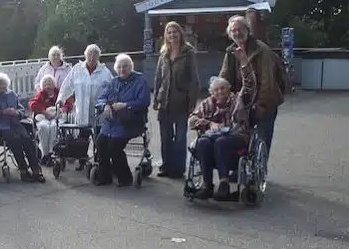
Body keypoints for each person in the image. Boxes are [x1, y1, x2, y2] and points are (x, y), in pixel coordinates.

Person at [189, 62, 257, 200]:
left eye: (222, 89)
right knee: (202, 142)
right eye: (216, 90)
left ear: (229, 89)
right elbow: (192, 120)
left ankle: (224, 184)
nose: (219, 92)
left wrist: (244, 63)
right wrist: (209, 123)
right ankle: (207, 185)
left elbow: (250, 86)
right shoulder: (207, 103)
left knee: (221, 142)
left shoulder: (238, 100)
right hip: (213, 138)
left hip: (236, 136)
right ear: (211, 92)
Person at [220, 15, 283, 158]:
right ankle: (238, 168)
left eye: (240, 29)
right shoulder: (231, 52)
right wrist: (220, 95)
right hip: (242, 100)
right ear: (230, 34)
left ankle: (260, 171)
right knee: (238, 136)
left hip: (265, 100)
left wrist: (261, 104)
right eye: (234, 30)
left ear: (247, 30)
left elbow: (268, 81)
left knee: (262, 138)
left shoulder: (261, 50)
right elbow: (224, 77)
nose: (237, 33)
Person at [152, 21, 200, 179]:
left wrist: (192, 102)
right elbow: (158, 76)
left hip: (181, 101)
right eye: (169, 32)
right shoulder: (163, 53)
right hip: (164, 101)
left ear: (180, 34)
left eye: (175, 32)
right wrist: (155, 99)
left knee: (180, 138)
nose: (172, 35)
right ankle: (166, 166)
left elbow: (194, 79)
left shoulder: (189, 52)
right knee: (166, 137)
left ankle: (178, 169)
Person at [95, 54, 150, 187]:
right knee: (101, 142)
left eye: (125, 66)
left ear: (131, 67)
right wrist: (106, 105)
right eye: (119, 67)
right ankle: (105, 176)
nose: (122, 69)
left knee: (114, 145)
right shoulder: (113, 82)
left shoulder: (140, 81)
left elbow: (144, 101)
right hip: (112, 121)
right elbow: (101, 98)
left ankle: (125, 178)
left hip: (130, 121)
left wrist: (126, 105)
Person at [56, 44, 113, 170]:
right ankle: (82, 160)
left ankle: (100, 162)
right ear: (85, 55)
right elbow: (67, 86)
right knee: (83, 137)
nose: (92, 57)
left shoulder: (105, 72)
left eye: (95, 55)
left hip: (99, 111)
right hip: (82, 110)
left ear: (99, 56)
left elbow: (112, 90)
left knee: (99, 138)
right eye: (89, 54)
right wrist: (60, 99)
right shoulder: (77, 69)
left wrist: (109, 104)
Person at [0, 72, 45, 183]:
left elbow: (22, 110)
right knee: (15, 141)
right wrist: (3, 112)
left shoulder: (12, 94)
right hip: (1, 126)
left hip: (16, 123)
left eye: (3, 84)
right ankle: (23, 171)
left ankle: (36, 170)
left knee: (28, 141)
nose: (2, 87)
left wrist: (17, 113)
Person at [28, 74, 72, 165]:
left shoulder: (59, 92)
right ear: (42, 85)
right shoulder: (41, 94)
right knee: (44, 127)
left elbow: (68, 104)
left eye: (50, 83)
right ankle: (45, 153)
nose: (48, 85)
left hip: (57, 116)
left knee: (53, 127)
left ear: (54, 84)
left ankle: (51, 152)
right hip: (44, 116)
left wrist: (61, 109)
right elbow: (32, 104)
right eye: (45, 83)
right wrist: (45, 112)